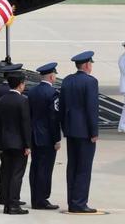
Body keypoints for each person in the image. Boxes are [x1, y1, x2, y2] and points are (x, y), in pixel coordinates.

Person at [60, 51, 99, 213]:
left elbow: (62, 107)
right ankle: (79, 203)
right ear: (87, 65)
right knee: (84, 168)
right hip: (84, 131)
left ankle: (72, 201)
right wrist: (94, 131)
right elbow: (91, 109)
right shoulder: (90, 82)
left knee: (73, 167)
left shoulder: (68, 80)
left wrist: (65, 127)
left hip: (71, 130)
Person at [0, 70, 31, 215]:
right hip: (19, 143)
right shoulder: (23, 100)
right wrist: (28, 145)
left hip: (4, 142)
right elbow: (25, 124)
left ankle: (7, 204)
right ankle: (14, 204)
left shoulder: (1, 100)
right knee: (17, 174)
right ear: (20, 84)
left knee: (7, 173)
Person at [28, 62, 61, 210]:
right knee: (45, 169)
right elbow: (53, 118)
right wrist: (57, 139)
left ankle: (35, 197)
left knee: (35, 168)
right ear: (52, 76)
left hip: (33, 135)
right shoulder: (52, 93)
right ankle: (42, 199)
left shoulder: (32, 91)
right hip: (47, 137)